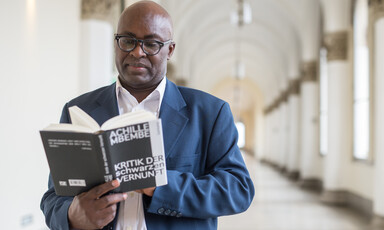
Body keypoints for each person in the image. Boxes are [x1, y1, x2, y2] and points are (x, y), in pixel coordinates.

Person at [40, 1, 254, 230]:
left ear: (170, 50)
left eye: (151, 43)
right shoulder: (79, 110)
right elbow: (53, 198)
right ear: (116, 43)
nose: (137, 52)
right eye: (128, 41)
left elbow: (238, 190)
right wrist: (72, 215)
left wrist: (160, 185)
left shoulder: (209, 112)